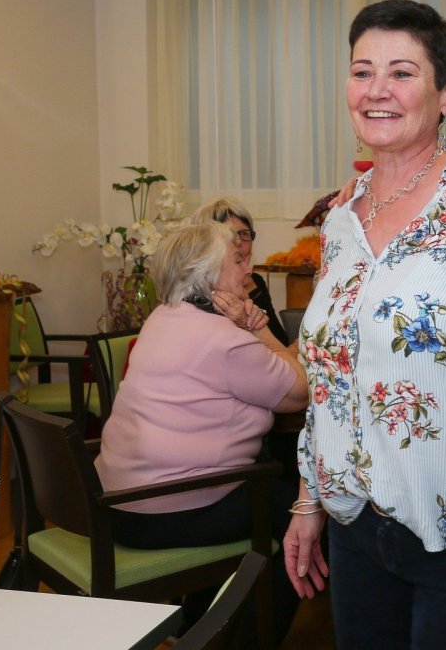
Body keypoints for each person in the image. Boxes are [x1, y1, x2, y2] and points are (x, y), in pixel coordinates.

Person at [282, 0, 446, 649]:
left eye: (402, 72)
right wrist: (309, 499)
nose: (377, 90)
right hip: (359, 528)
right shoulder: (339, 221)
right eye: (362, 72)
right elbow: (332, 380)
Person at [94, 220, 309, 632]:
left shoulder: (164, 317)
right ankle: (239, 638)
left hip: (120, 501)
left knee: (272, 489)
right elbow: (299, 393)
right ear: (209, 276)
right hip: (170, 508)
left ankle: (201, 624)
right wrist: (259, 329)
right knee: (305, 517)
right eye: (237, 261)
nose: (248, 269)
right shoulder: (224, 340)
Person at [193, 196, 290, 345]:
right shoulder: (199, 293)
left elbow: (280, 342)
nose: (239, 243)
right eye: (230, 235)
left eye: (244, 234)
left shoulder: (255, 281)